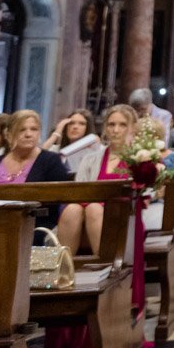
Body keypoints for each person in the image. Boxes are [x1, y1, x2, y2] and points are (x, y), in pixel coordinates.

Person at [57, 104, 137, 254]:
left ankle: (107, 262)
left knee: (94, 208)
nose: (116, 130)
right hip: (88, 208)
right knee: (72, 209)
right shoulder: (90, 159)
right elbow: (80, 190)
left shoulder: (139, 158)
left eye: (122, 125)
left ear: (133, 128)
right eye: (111, 125)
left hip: (122, 212)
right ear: (105, 127)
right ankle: (64, 265)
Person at [0, 109, 70, 240]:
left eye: (34, 129)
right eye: (22, 130)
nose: (28, 134)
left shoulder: (51, 161)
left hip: (33, 226)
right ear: (8, 134)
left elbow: (56, 204)